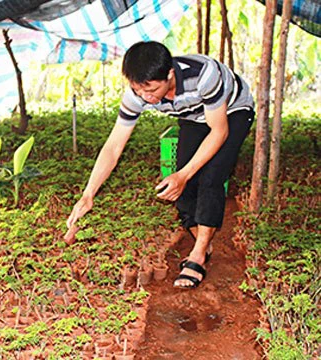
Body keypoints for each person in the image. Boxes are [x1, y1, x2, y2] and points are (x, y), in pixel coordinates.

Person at [66, 41, 254, 289]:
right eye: (138, 90)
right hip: (192, 117)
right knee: (181, 186)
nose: (146, 97)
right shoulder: (138, 94)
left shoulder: (204, 75)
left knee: (211, 176)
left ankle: (198, 256)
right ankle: (203, 240)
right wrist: (88, 194)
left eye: (152, 89)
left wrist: (185, 174)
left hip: (232, 111)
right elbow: (113, 146)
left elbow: (219, 132)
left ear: (170, 75)